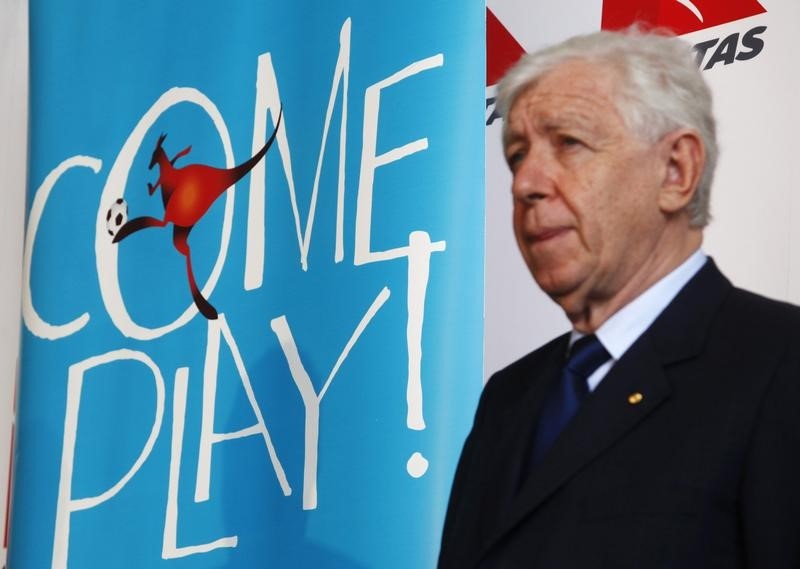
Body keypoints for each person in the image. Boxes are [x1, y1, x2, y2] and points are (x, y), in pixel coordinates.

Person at [439, 28, 800, 569]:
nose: (525, 183)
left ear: (676, 171)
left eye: (569, 143)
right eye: (517, 155)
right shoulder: (508, 398)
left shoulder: (781, 362)